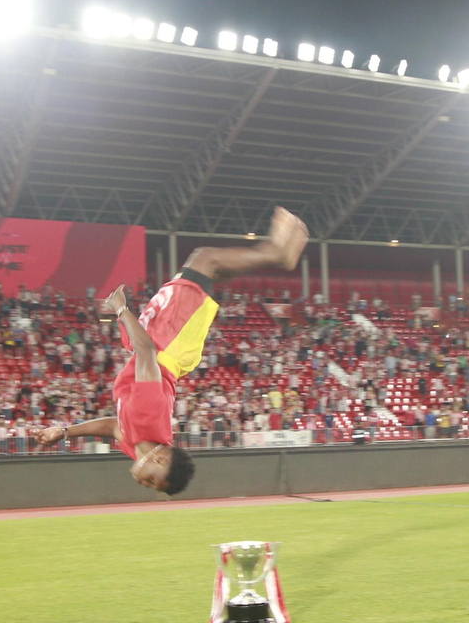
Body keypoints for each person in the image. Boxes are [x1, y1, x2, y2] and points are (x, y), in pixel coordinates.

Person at [36, 206, 308, 494]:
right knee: (205, 259)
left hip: (164, 344)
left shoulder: (137, 448)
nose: (145, 481)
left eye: (151, 485)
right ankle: (277, 254)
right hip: (169, 344)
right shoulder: (149, 416)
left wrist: (65, 431)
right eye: (154, 478)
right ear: (162, 458)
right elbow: (146, 354)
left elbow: (114, 427)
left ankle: (271, 255)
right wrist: (121, 310)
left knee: (204, 272)